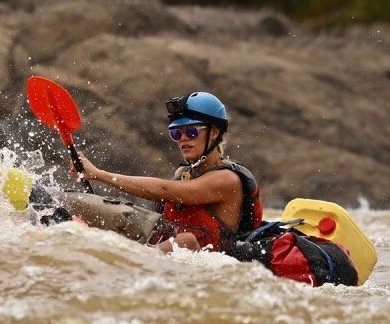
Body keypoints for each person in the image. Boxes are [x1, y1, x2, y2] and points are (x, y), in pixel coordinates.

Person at [72, 92, 262, 253]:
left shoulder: (226, 180)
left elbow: (162, 189)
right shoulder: (183, 173)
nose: (183, 140)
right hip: (169, 250)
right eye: (177, 134)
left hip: (207, 261)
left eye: (192, 132)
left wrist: (98, 174)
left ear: (214, 133)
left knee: (185, 241)